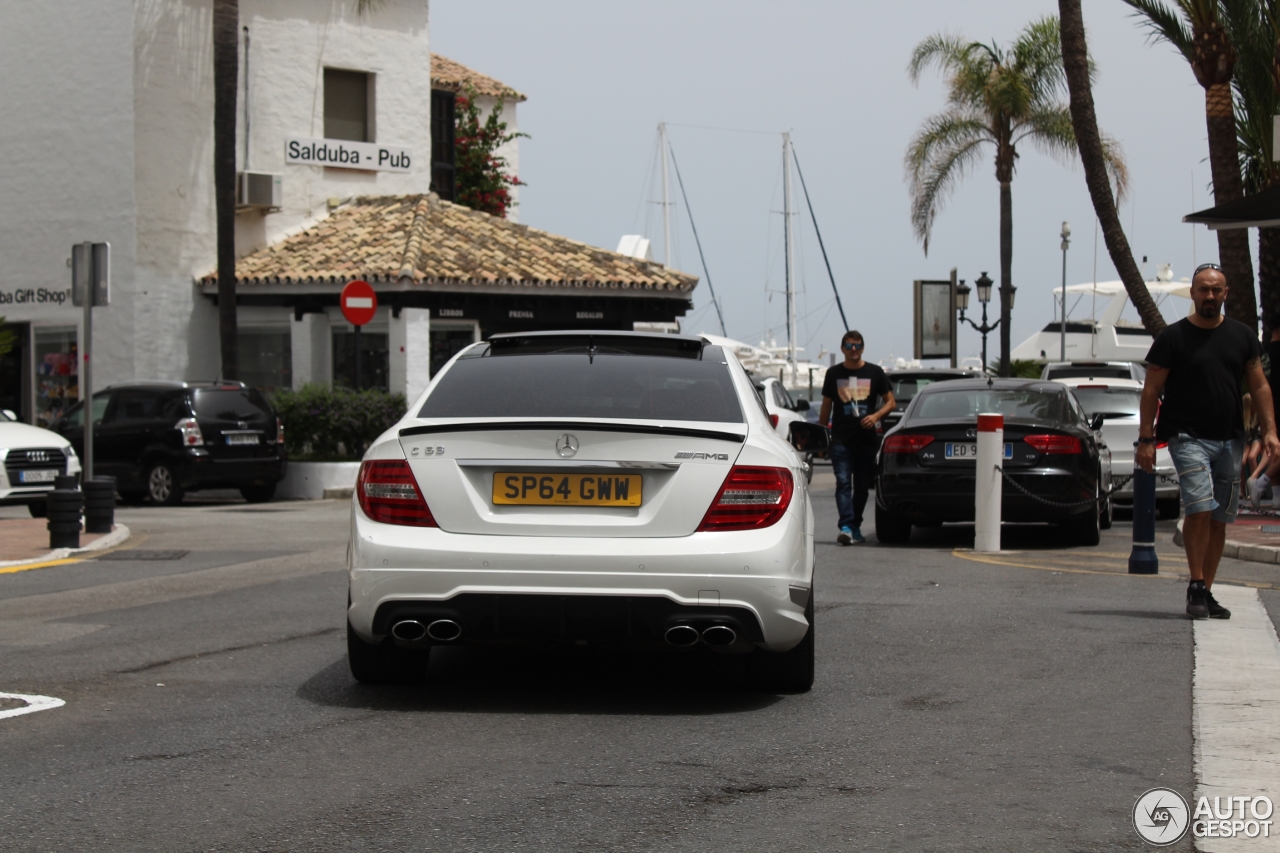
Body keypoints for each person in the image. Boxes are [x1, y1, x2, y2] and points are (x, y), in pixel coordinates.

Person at [1137, 263, 1280, 619]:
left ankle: (1205, 590)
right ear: (1193, 293)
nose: (1210, 295)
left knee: (1220, 517)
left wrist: (1271, 431)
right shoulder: (1172, 337)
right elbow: (1151, 389)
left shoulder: (1243, 336)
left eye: (1216, 289)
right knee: (1200, 507)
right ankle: (1196, 585)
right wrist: (1145, 439)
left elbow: (1259, 385)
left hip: (1230, 440)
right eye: (1203, 289)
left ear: (1226, 294)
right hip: (1187, 437)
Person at [819, 331, 895, 545]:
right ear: (842, 348)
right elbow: (826, 406)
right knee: (843, 483)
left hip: (866, 440)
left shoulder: (875, 372)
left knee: (862, 486)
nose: (854, 350)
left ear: (863, 348)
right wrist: (821, 437)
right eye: (849, 345)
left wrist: (876, 416)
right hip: (841, 440)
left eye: (858, 346)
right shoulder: (833, 374)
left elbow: (890, 402)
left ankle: (855, 526)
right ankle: (845, 525)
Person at [1246, 315, 1280, 508]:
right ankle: (1261, 480)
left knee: (1275, 450)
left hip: (1268, 405)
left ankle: (1276, 494)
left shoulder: (1264, 352)